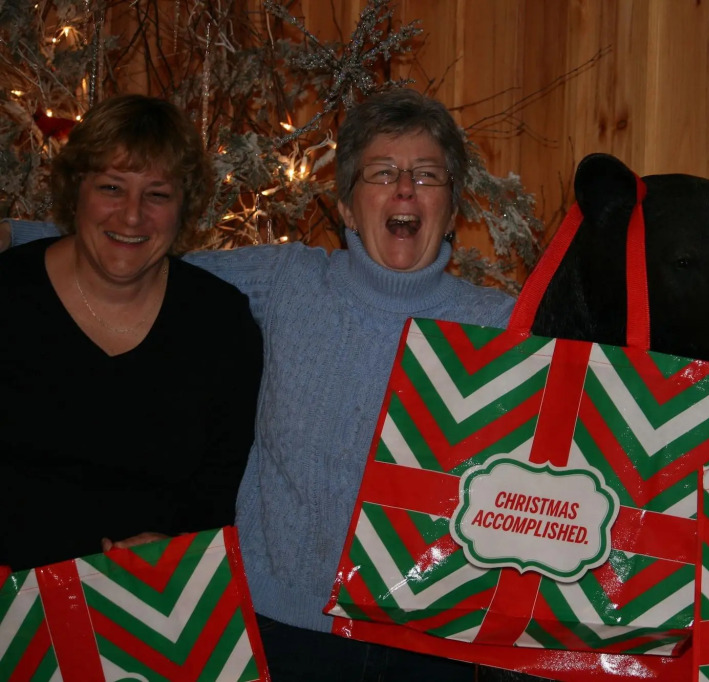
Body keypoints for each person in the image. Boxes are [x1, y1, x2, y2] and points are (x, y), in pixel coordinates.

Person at [1, 88, 515, 680]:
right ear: (347, 207)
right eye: (381, 172)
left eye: (427, 175)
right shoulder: (289, 280)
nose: (405, 189)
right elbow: (139, 253)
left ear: (452, 208)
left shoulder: (505, 324)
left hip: (427, 643)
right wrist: (16, 233)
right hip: (272, 628)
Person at [0, 95, 263, 570]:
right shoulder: (9, 293)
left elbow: (221, 492)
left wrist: (174, 546)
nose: (132, 215)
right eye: (111, 188)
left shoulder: (221, 323)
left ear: (184, 207)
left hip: (148, 601)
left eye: (157, 195)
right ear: (75, 190)